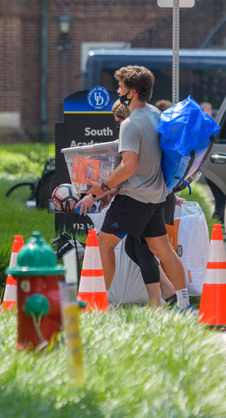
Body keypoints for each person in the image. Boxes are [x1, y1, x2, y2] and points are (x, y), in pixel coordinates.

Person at [76, 66, 191, 309]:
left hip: (134, 199)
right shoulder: (155, 114)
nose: (118, 90)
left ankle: (100, 305)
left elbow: (128, 167)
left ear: (132, 92)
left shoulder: (129, 124)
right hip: (156, 196)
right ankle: (184, 304)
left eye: (121, 87)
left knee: (103, 246)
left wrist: (101, 188)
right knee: (163, 250)